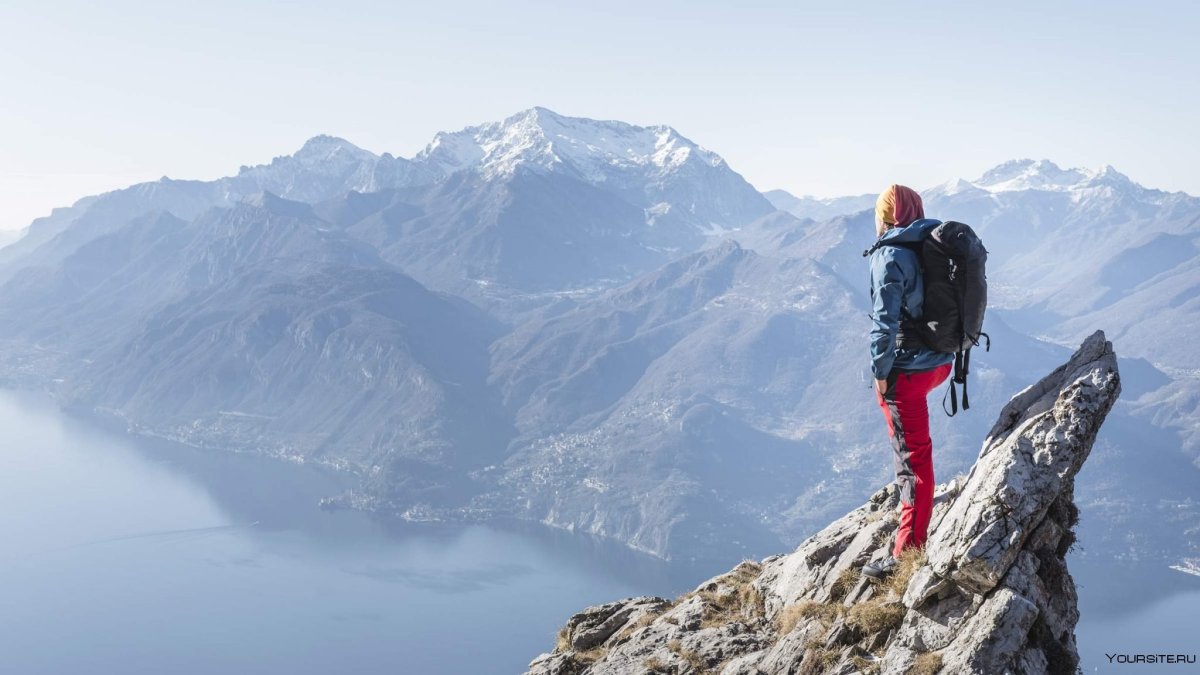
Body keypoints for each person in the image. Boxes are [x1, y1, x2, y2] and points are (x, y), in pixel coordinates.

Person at [861, 184, 955, 579]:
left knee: (913, 458)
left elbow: (884, 326)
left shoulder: (889, 256)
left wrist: (880, 375)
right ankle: (912, 520)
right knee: (915, 451)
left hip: (910, 373)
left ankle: (906, 555)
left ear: (884, 217)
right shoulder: (933, 243)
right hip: (943, 362)